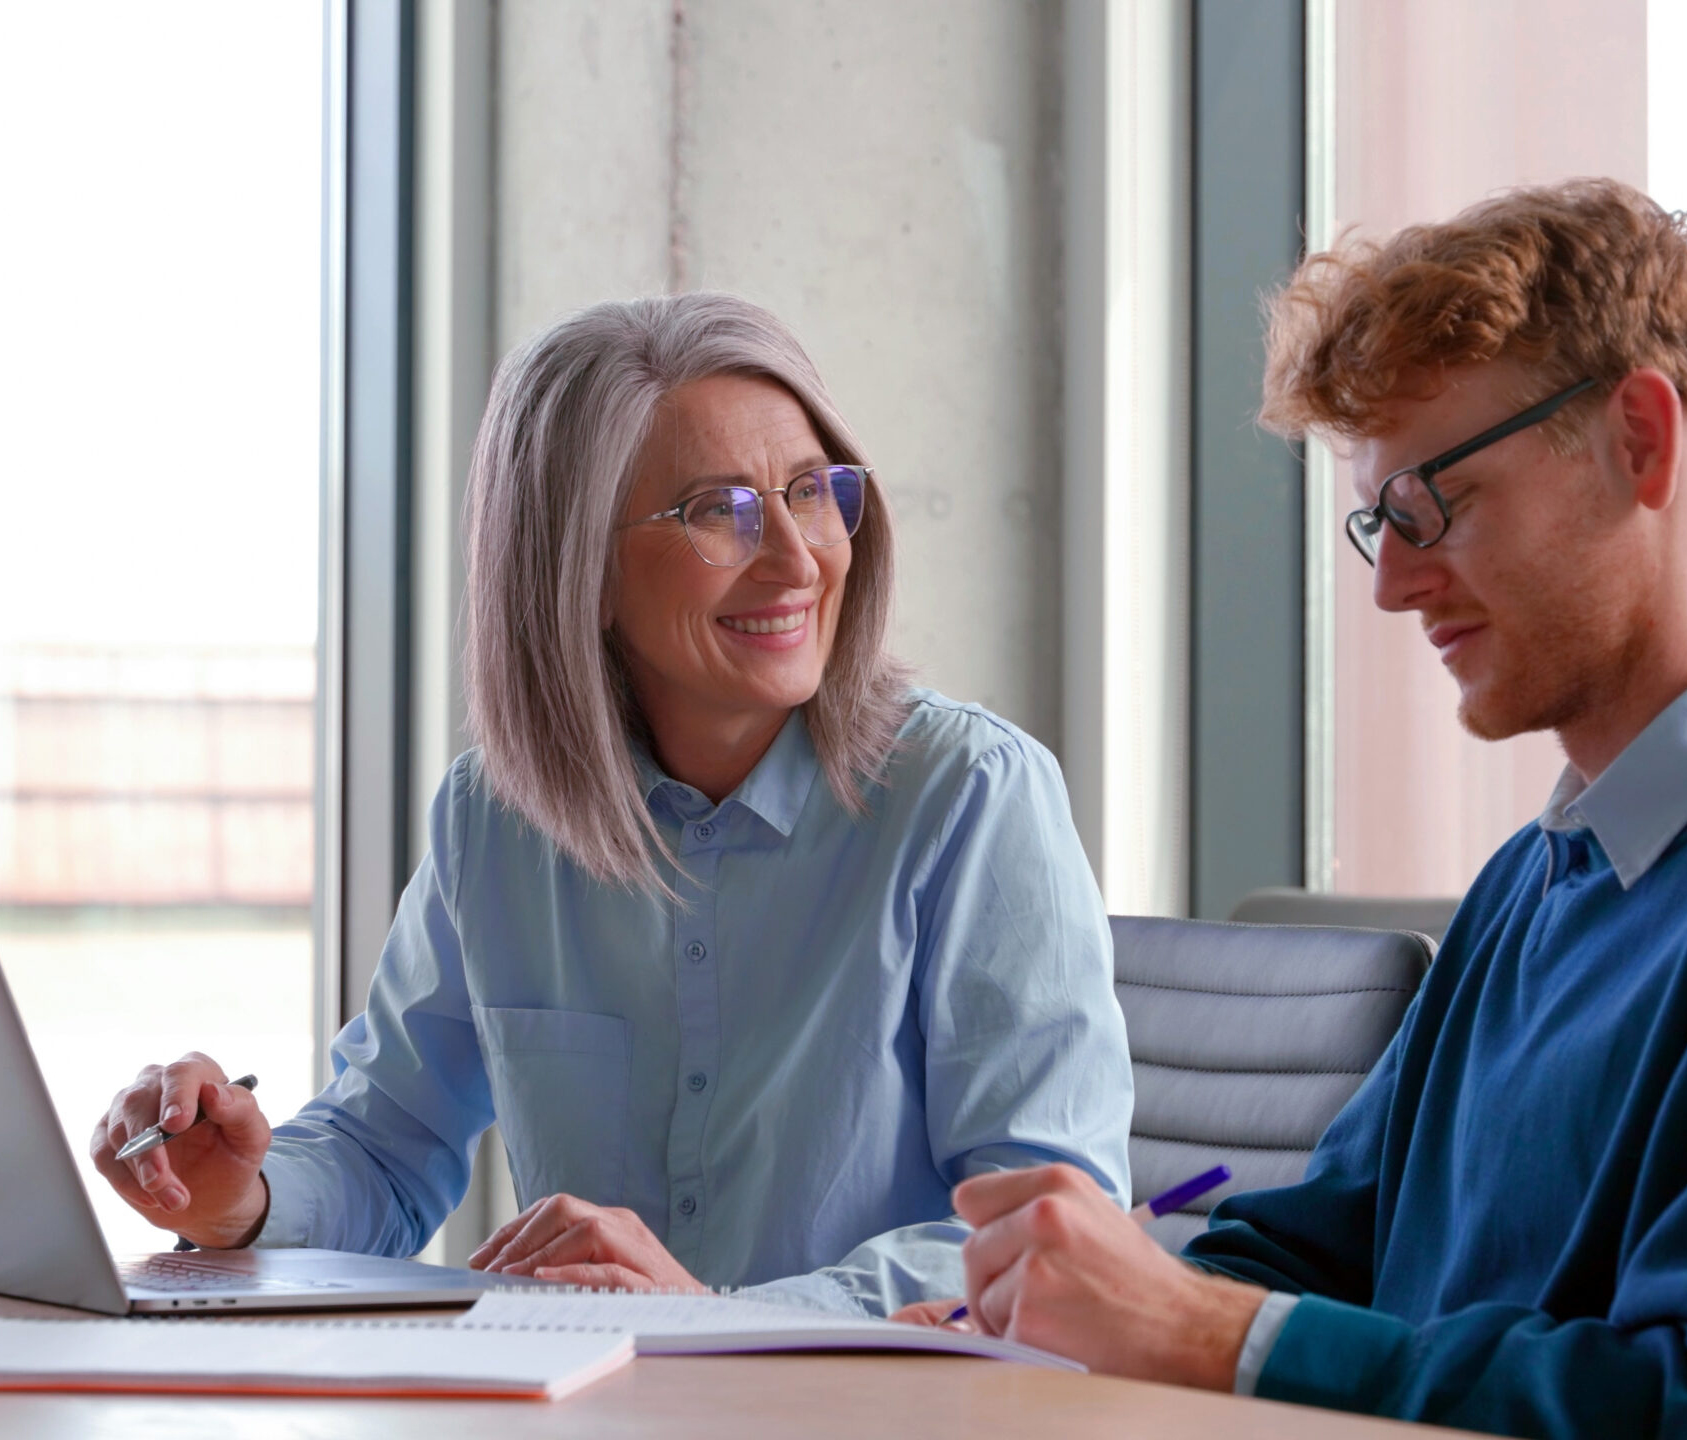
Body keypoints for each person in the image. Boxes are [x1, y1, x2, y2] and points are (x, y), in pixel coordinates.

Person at [943, 178, 1687, 1437]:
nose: (1390, 585)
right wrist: (1074, 1309)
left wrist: (1200, 1333)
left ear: (1642, 443)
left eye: (1430, 502)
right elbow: (1320, 1257)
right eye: (1375, 522)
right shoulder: (1538, 881)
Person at [87, 292, 1132, 1315]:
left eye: (812, 491)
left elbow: (1049, 1238)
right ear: (576, 568)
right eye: (717, 511)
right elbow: (385, 1144)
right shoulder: (495, 817)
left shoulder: (972, 796)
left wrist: (723, 1319)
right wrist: (240, 1197)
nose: (796, 557)